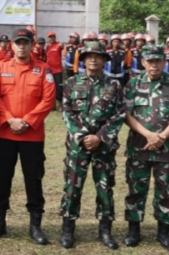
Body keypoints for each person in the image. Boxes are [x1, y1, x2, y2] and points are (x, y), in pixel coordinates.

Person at [0, 28, 55, 245]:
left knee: (33, 180)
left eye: (26, 42)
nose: (22, 46)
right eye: (18, 42)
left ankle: (35, 226)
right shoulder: (1, 67)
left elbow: (48, 100)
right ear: (12, 45)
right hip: (5, 134)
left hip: (32, 137)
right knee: (2, 178)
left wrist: (26, 121)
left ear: (32, 45)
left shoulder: (43, 69)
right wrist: (9, 119)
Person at [58, 40, 125, 250]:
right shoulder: (72, 83)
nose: (93, 59)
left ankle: (105, 230)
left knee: (105, 186)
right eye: (89, 56)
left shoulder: (114, 85)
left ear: (104, 60)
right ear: (84, 60)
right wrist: (83, 136)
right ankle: (68, 229)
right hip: (77, 145)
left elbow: (119, 114)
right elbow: (66, 112)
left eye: (97, 56)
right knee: (72, 186)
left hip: (103, 146)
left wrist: (100, 138)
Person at [122, 45, 169, 251]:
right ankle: (134, 230)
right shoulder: (133, 83)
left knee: (165, 191)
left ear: (164, 62)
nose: (154, 64)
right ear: (143, 62)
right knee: (136, 189)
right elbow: (126, 114)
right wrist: (148, 135)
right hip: (139, 146)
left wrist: (162, 136)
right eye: (150, 61)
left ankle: (164, 233)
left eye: (158, 60)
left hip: (166, 147)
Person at [45, 32, 64, 97]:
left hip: (58, 70)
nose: (51, 38)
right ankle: (52, 99)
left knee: (59, 88)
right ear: (48, 38)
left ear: (55, 38)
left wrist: (62, 45)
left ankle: (60, 100)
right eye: (50, 37)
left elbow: (62, 46)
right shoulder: (47, 46)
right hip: (49, 71)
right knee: (50, 86)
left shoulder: (58, 44)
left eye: (53, 37)